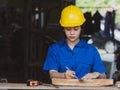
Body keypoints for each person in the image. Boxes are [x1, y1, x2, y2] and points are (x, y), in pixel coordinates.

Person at [43, 5, 107, 80]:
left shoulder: (91, 50)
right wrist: (64, 75)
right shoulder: (54, 49)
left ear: (81, 28)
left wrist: (96, 74)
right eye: (68, 29)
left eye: (76, 29)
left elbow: (104, 76)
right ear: (63, 29)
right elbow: (52, 74)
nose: (72, 33)